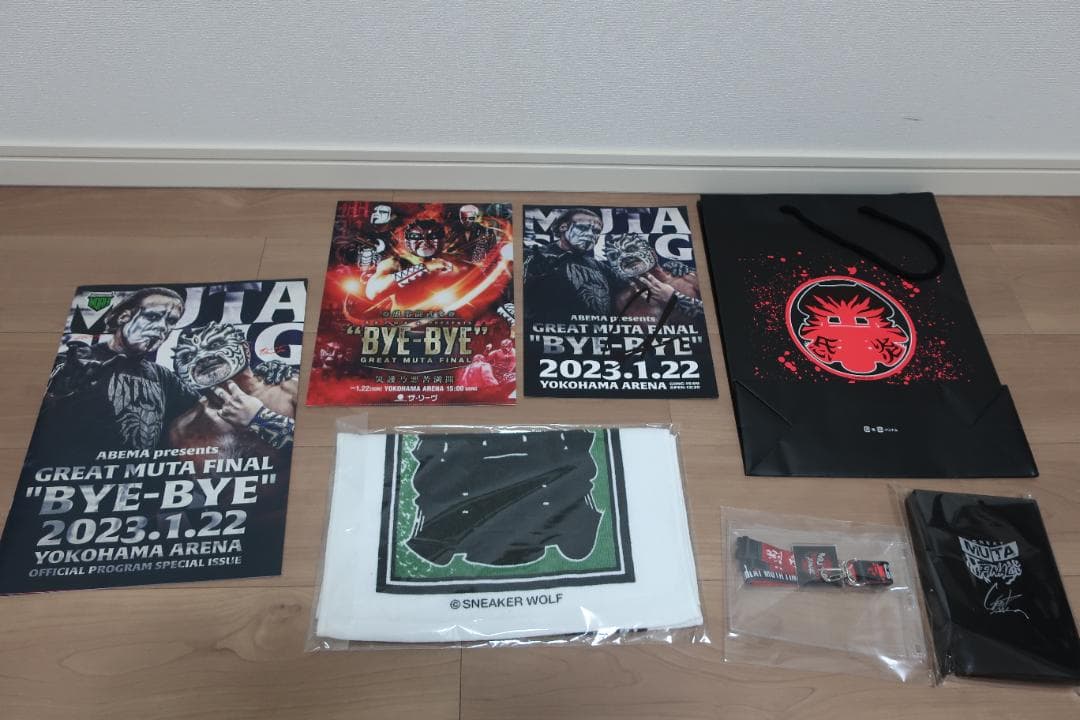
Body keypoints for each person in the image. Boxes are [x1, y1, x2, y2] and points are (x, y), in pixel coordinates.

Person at [33, 287, 198, 462]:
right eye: (153, 316)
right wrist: (59, 395)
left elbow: (205, 410)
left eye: (171, 321)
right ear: (123, 317)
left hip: (135, 477)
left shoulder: (163, 377)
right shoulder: (72, 361)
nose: (162, 327)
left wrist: (197, 372)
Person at [523, 208, 618, 317]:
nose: (590, 234)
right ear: (563, 227)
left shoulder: (600, 266)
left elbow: (627, 292)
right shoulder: (534, 255)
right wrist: (531, 276)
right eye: (583, 228)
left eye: (596, 231)